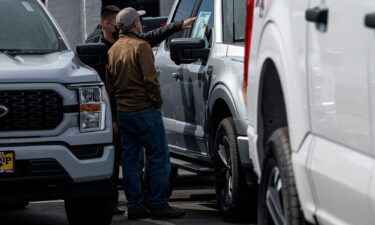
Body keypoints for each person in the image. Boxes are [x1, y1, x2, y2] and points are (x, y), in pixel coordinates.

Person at [86, 5, 195, 215]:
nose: (141, 23)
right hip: (144, 109)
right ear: (134, 24)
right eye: (139, 20)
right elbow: (150, 80)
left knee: (130, 161)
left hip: (124, 113)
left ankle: (134, 206)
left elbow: (109, 85)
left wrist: (116, 114)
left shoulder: (114, 48)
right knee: (159, 157)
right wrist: (156, 102)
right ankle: (159, 203)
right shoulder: (141, 46)